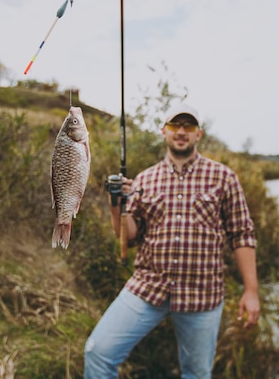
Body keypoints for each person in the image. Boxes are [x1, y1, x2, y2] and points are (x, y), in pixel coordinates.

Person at [84, 103, 260, 378]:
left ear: (198, 134)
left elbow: (242, 234)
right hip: (148, 287)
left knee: (196, 373)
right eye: (175, 125)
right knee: (97, 352)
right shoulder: (145, 179)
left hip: (202, 293)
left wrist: (251, 291)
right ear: (163, 131)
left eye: (188, 126)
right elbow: (127, 236)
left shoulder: (224, 177)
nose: (181, 131)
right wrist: (115, 203)